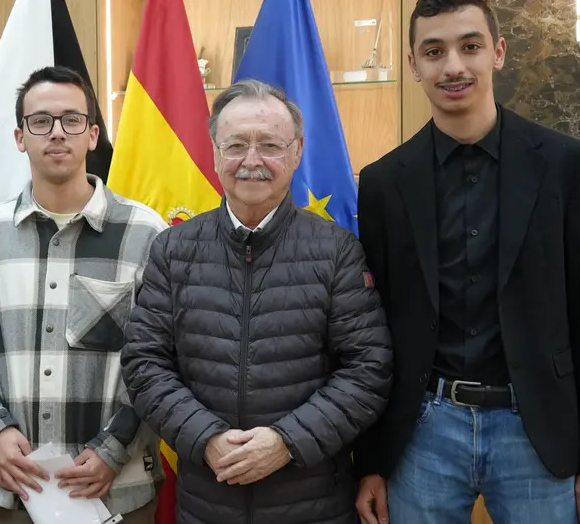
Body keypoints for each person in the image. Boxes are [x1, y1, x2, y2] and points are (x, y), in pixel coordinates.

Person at [353, 0, 580, 524]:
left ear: (497, 52)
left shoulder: (565, 164)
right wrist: (372, 462)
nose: (453, 66)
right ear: (414, 65)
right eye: (434, 51)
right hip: (423, 432)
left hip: (536, 429)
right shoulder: (382, 182)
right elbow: (373, 333)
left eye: (469, 46)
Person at [121, 79, 394, 524]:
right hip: (207, 504)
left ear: (297, 152)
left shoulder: (337, 251)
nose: (252, 160)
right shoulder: (173, 250)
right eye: (235, 145)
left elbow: (368, 369)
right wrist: (205, 437)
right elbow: (144, 363)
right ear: (215, 153)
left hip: (313, 504)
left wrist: (286, 441)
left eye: (270, 145)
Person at [0, 65, 167, 524]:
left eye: (72, 120)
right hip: (19, 491)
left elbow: (161, 360)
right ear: (20, 137)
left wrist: (114, 448)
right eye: (41, 121)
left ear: (92, 135)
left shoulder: (146, 234)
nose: (57, 132)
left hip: (119, 489)